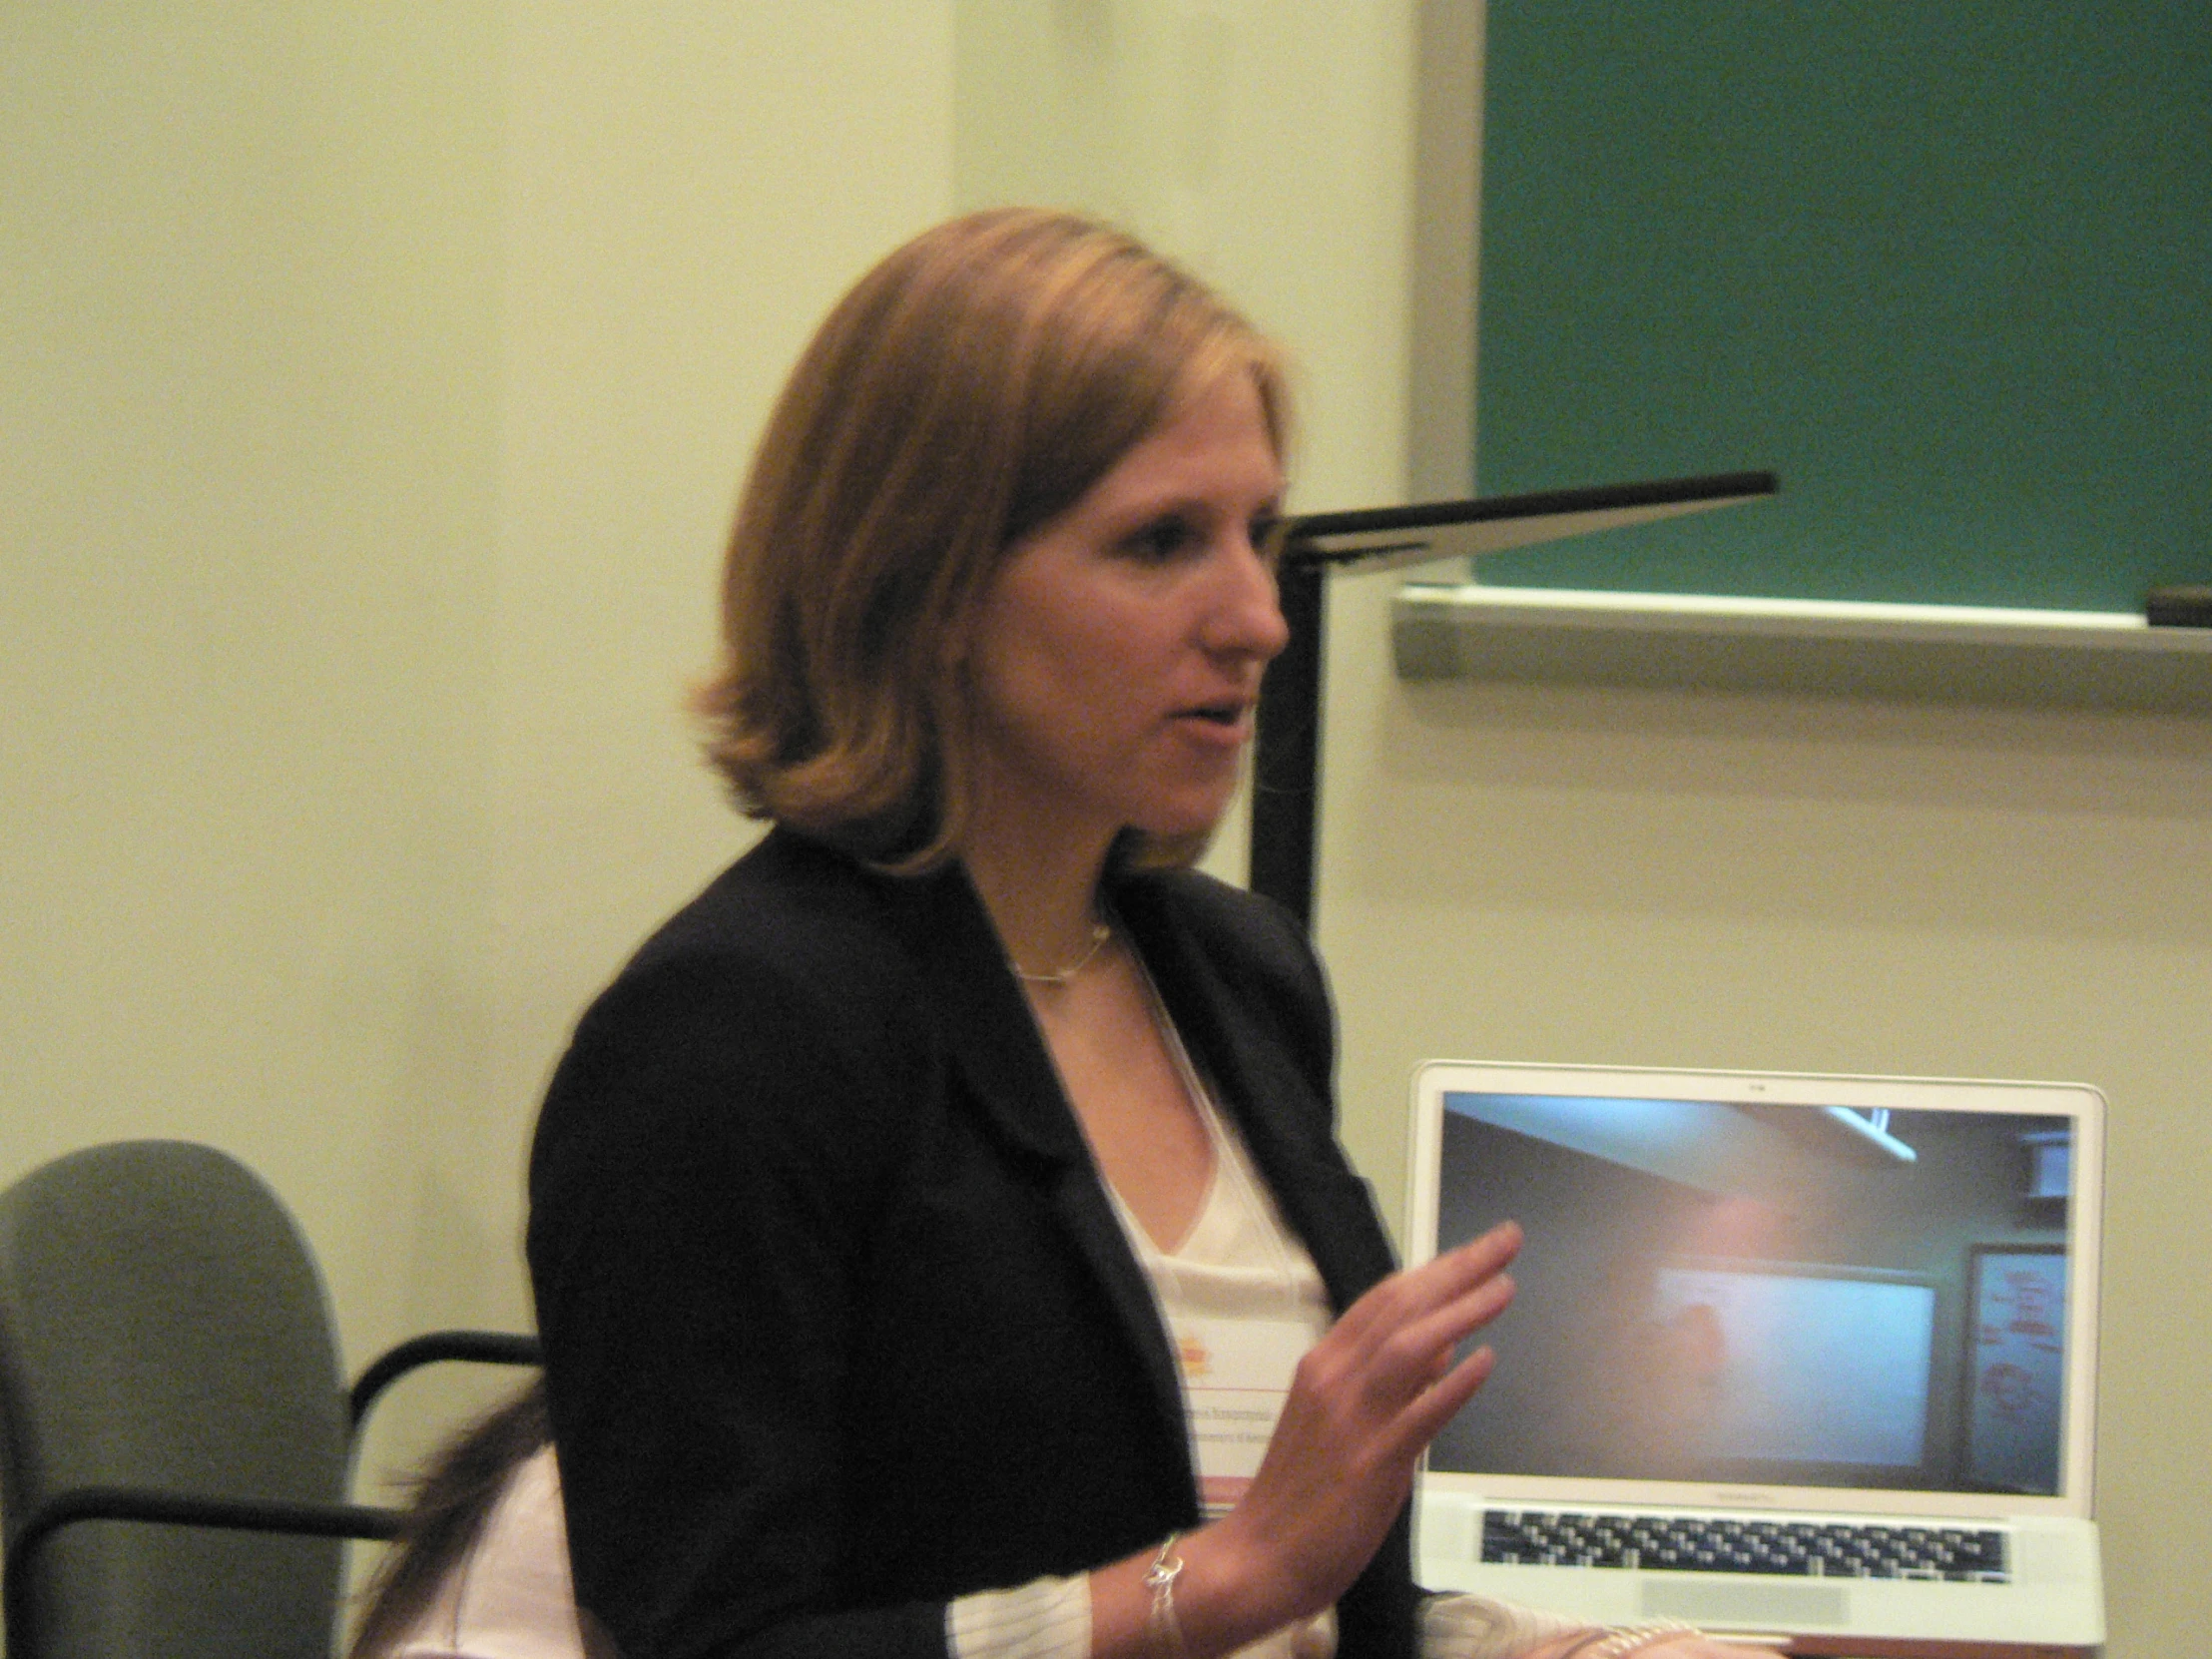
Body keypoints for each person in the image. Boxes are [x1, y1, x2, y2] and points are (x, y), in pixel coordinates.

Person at [524, 208, 1744, 1659]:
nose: (1257, 619)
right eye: (1162, 542)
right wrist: (1213, 1585)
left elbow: (1317, 1594)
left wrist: (1561, 1647)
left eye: (1260, 534)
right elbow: (703, 1649)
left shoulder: (1234, 974)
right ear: (928, 587)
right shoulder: (732, 1034)